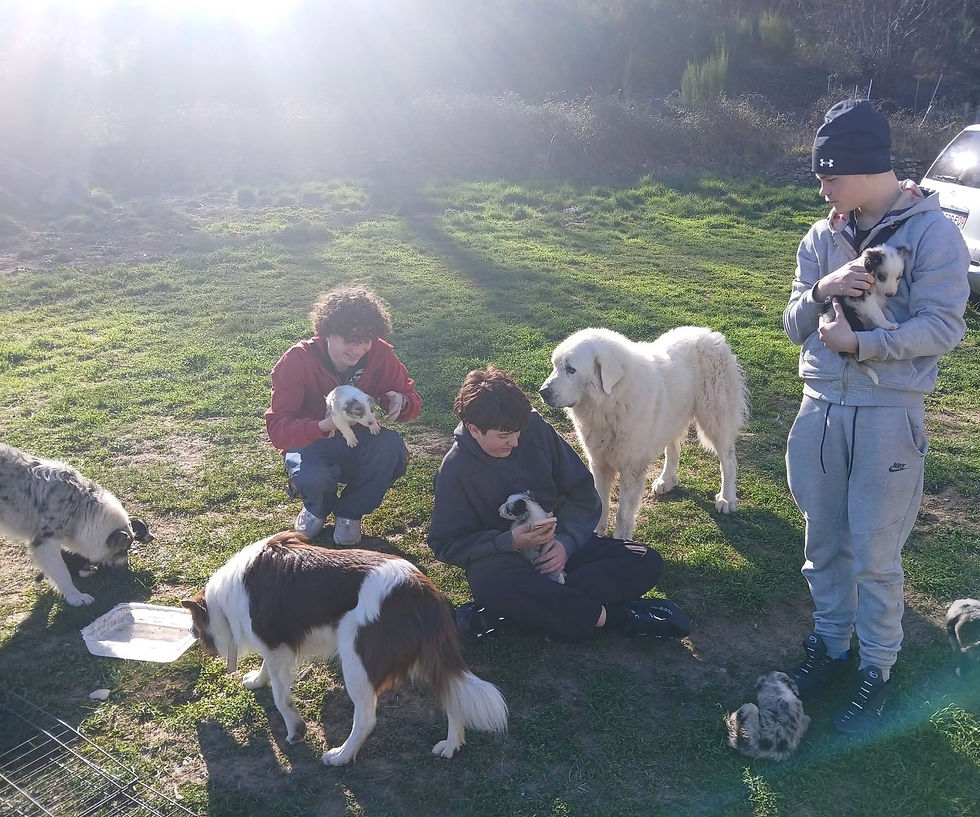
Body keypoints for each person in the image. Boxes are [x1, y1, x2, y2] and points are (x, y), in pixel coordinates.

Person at [783, 99, 970, 735]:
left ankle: (877, 669)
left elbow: (944, 326)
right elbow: (791, 324)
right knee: (822, 544)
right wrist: (820, 291)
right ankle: (833, 649)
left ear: (867, 168)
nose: (823, 187)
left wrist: (862, 346)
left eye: (831, 175)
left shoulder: (932, 234)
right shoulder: (819, 235)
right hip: (820, 411)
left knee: (874, 551)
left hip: (888, 415)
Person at [427, 365, 691, 642]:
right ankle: (615, 618)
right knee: (493, 585)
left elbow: (583, 494)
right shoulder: (455, 468)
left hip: (561, 549)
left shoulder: (534, 428)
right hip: (506, 562)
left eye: (518, 432)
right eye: (503, 436)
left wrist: (565, 543)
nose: (515, 442)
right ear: (474, 430)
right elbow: (446, 543)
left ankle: (522, 610)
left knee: (645, 560)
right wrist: (508, 541)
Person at [265, 284, 421, 545]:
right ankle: (316, 508)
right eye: (350, 340)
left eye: (366, 341)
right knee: (314, 476)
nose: (358, 350)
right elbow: (279, 429)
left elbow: (412, 399)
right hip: (312, 446)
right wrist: (325, 425)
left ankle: (350, 513)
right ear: (327, 333)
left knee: (391, 447)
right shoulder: (297, 360)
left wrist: (401, 401)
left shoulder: (380, 354)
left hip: (360, 442)